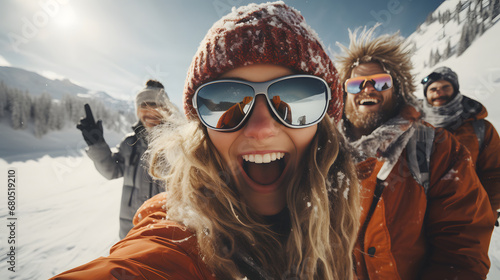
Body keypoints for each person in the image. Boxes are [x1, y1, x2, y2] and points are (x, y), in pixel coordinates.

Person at [52, 2, 360, 279]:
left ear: (326, 127)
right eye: (227, 103)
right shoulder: (177, 235)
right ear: (201, 134)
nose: (261, 128)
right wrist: (97, 146)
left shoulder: (352, 235)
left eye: (297, 101)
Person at [335, 26, 496, 279]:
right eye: (355, 84)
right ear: (343, 93)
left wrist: (493, 205)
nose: (367, 88)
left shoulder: (438, 146)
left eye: (380, 81)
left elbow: (461, 247)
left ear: (397, 90)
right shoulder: (317, 150)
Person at [76, 79, 176, 239]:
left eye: (155, 104)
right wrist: (97, 145)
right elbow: (111, 171)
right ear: (137, 111)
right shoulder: (130, 143)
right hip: (131, 229)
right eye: (144, 105)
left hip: (167, 231)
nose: (149, 110)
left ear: (166, 110)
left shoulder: (178, 144)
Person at [421, 66, 500, 219]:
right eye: (433, 89)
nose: (438, 92)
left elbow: (495, 172)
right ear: (426, 94)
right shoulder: (411, 124)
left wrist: (488, 209)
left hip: (466, 215)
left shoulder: (481, 128)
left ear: (455, 90)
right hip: (419, 216)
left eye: (445, 87)